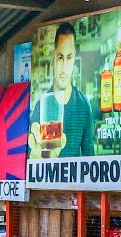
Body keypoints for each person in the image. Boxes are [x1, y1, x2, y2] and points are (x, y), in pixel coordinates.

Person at [29, 21, 95, 158]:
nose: (64, 67)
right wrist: (35, 156)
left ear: (74, 57)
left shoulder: (84, 105)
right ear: (53, 57)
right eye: (60, 57)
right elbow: (32, 156)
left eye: (69, 57)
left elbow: (90, 156)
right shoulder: (41, 106)